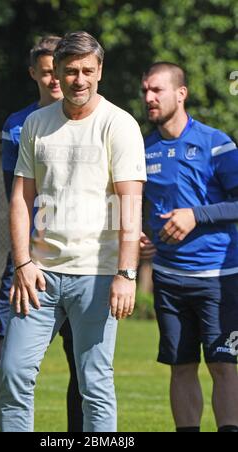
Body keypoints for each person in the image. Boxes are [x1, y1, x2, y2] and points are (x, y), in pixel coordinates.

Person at [0, 31, 146, 432]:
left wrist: (125, 274)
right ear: (56, 75)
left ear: (99, 72)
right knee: (13, 374)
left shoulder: (120, 125)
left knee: (94, 385)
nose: (79, 79)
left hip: (97, 276)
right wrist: (23, 263)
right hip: (38, 277)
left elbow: (129, 205)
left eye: (87, 71)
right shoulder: (35, 123)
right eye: (70, 71)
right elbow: (19, 199)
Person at [0, 36, 83, 432]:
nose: (57, 78)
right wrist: (24, 255)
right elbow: (16, 195)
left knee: (82, 363)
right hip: (26, 256)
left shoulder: (91, 121)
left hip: (80, 259)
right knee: (4, 354)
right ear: (34, 73)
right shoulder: (18, 126)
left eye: (63, 69)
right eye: (48, 70)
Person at [141, 62, 238, 432]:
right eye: (145, 91)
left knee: (222, 364)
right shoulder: (141, 147)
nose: (149, 98)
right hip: (169, 279)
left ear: (181, 94)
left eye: (157, 90)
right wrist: (140, 235)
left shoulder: (216, 143)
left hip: (218, 277)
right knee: (180, 367)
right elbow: (136, 202)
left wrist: (196, 215)